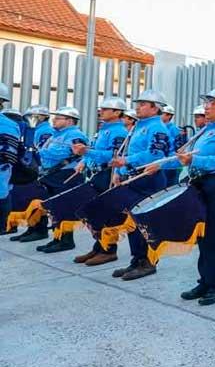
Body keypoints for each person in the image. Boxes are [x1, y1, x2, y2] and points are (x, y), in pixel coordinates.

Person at [160, 88, 215, 306]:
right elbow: (187, 157)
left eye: (210, 103)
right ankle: (205, 281)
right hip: (202, 183)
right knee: (202, 235)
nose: (205, 107)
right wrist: (162, 165)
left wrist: (193, 162)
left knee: (214, 236)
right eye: (205, 103)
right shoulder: (205, 131)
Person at [110, 90, 171, 281]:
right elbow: (127, 151)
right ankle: (136, 259)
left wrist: (126, 161)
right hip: (133, 177)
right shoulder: (138, 126)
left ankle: (148, 262)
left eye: (143, 104)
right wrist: (120, 172)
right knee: (132, 222)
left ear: (155, 108)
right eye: (138, 103)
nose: (138, 107)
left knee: (145, 223)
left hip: (148, 179)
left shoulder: (158, 128)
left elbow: (155, 155)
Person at [70, 98, 128, 265]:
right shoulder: (103, 129)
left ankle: (109, 250)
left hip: (107, 175)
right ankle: (99, 246)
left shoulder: (119, 132)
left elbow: (113, 156)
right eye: (101, 108)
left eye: (106, 109)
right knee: (95, 213)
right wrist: (84, 160)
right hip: (96, 174)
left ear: (117, 112)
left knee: (106, 213)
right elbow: (95, 151)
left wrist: (86, 151)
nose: (101, 111)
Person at [34, 106, 89, 253]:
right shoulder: (56, 134)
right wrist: (45, 151)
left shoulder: (75, 135)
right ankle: (57, 237)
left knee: (64, 207)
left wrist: (44, 151)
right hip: (54, 174)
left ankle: (66, 240)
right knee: (54, 208)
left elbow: (63, 153)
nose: (54, 120)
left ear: (70, 120)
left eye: (58, 118)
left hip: (67, 174)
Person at [10, 106, 53, 242]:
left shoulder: (45, 131)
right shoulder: (33, 130)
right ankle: (32, 228)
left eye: (33, 116)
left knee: (37, 199)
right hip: (32, 167)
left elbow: (41, 150)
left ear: (42, 117)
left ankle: (40, 229)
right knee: (29, 199)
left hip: (38, 168)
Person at [0, 84, 21, 236]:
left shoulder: (7, 124)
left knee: (2, 193)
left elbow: (9, 153)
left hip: (1, 166)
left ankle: (4, 226)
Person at [160, 105, 181, 188]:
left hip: (171, 164)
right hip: (162, 164)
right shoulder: (161, 128)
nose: (160, 116)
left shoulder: (173, 129)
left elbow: (178, 147)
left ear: (169, 116)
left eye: (162, 113)